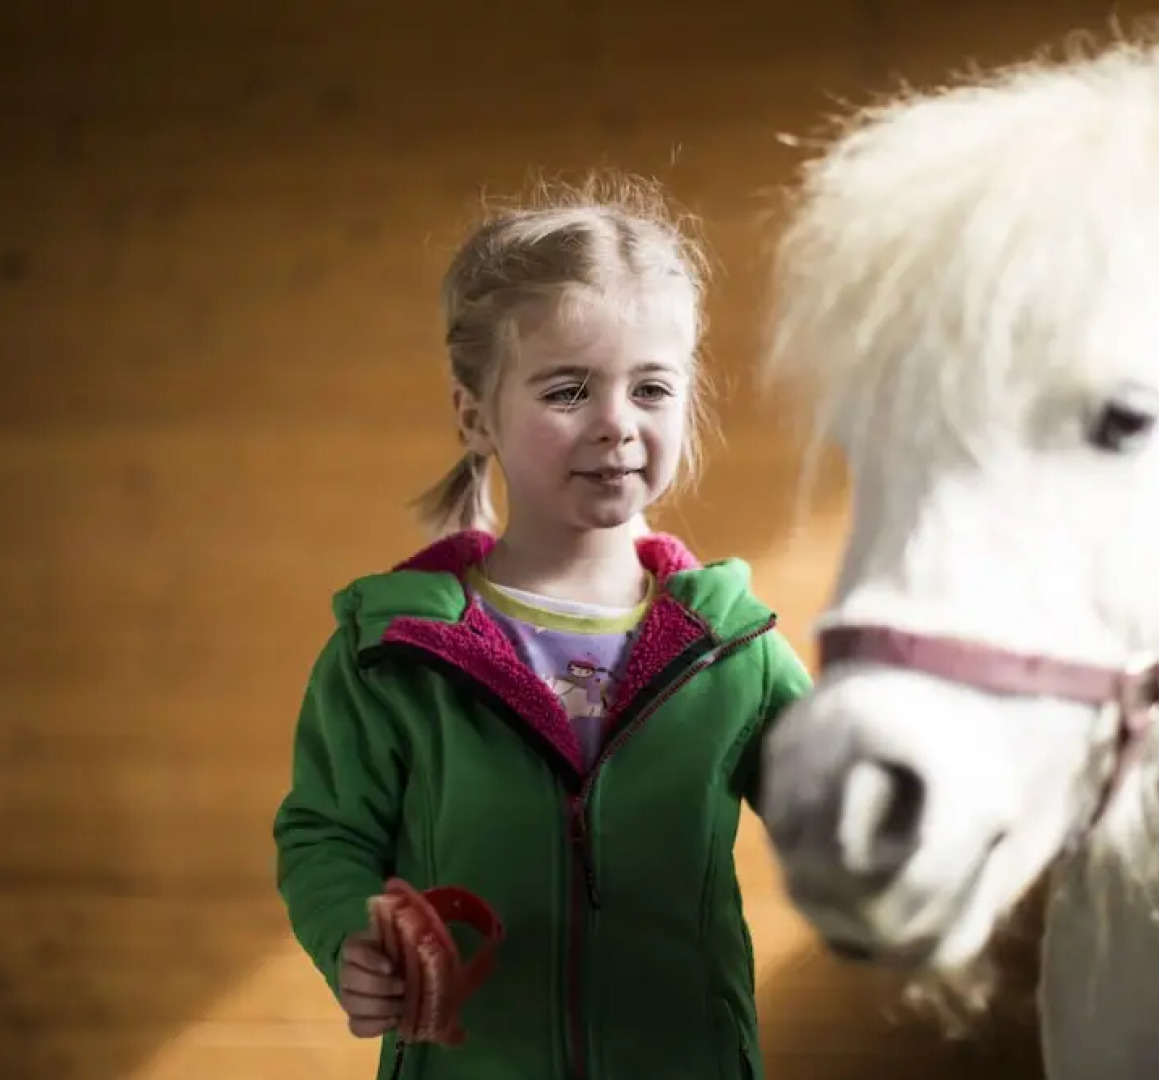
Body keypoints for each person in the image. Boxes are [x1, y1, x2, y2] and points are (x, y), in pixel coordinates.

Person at [273, 173, 812, 1080]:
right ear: (473, 415)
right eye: (567, 391)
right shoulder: (389, 652)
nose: (615, 424)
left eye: (651, 388)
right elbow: (325, 836)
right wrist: (352, 939)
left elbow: (838, 814)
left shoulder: (736, 647)